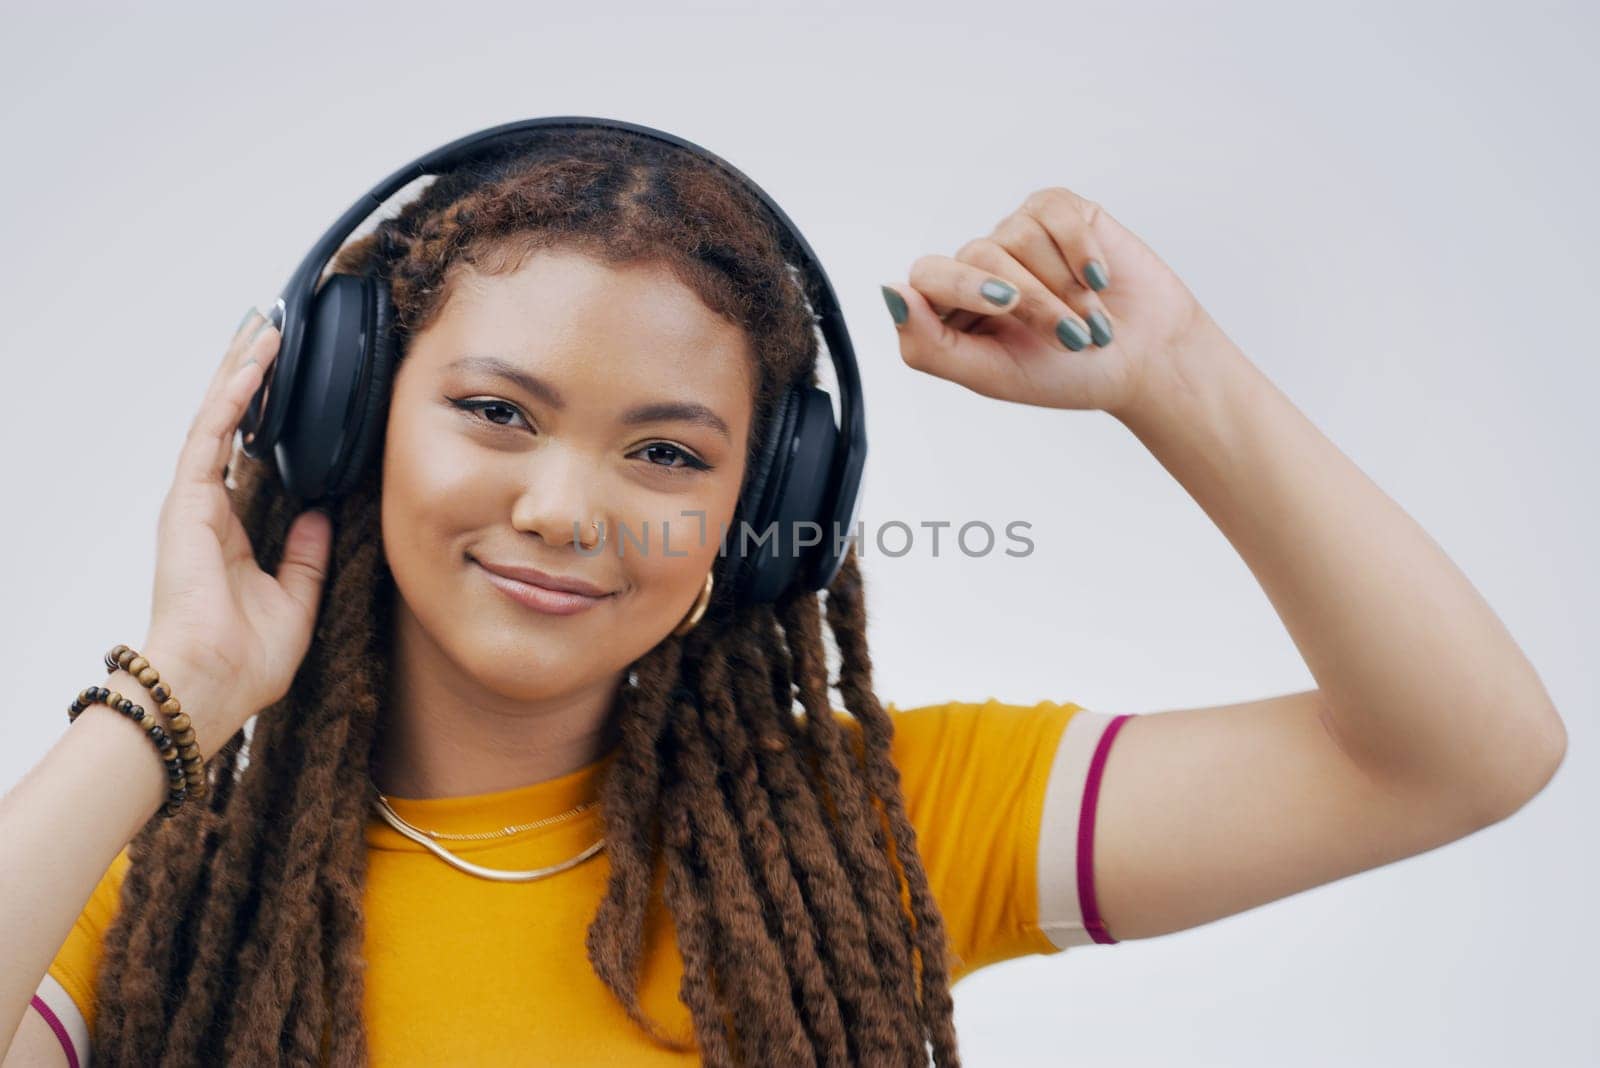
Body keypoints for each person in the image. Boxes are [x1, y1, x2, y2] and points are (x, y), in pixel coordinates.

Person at [0, 124, 1567, 1067]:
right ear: (347, 420)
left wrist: (1177, 380)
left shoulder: (871, 831)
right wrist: (170, 697)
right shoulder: (154, 908)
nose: (567, 507)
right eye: (496, 411)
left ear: (767, 512)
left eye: (668, 451)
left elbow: (1461, 752)